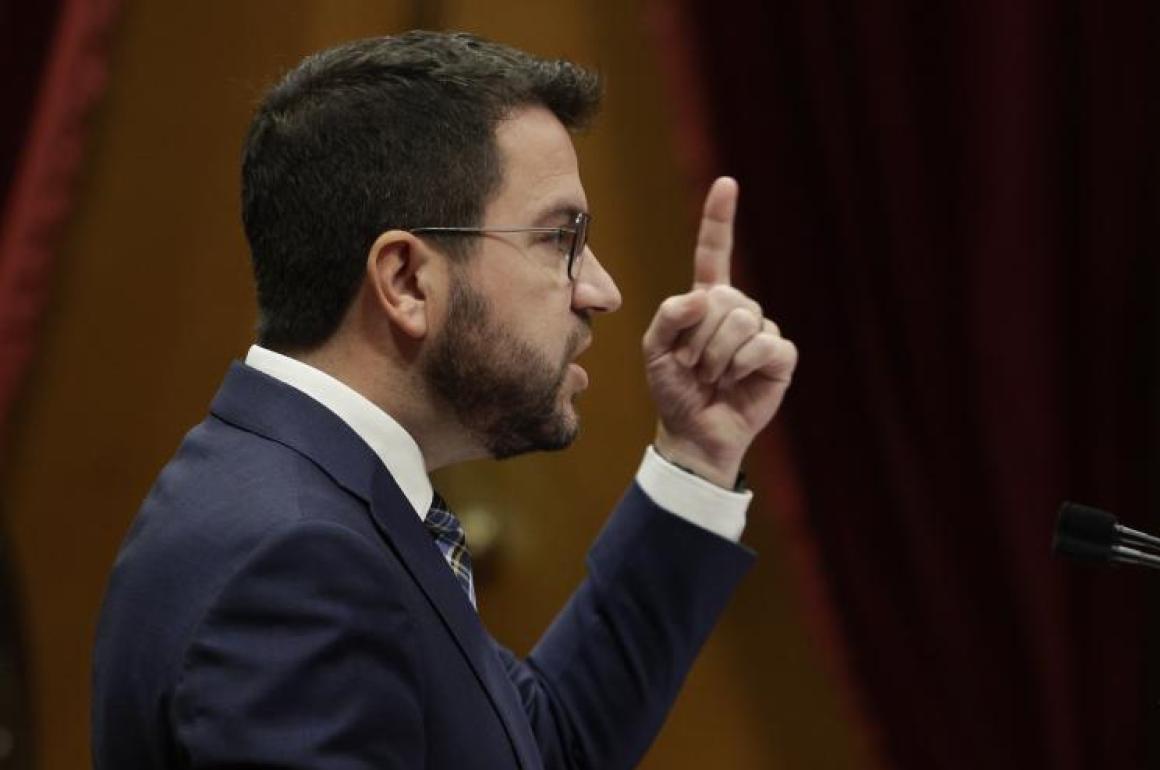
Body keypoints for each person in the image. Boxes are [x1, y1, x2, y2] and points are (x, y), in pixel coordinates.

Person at [92, 30, 797, 769]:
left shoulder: (306, 498)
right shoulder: (297, 559)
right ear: (404, 280)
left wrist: (697, 453)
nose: (602, 291)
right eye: (561, 238)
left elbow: (538, 745)